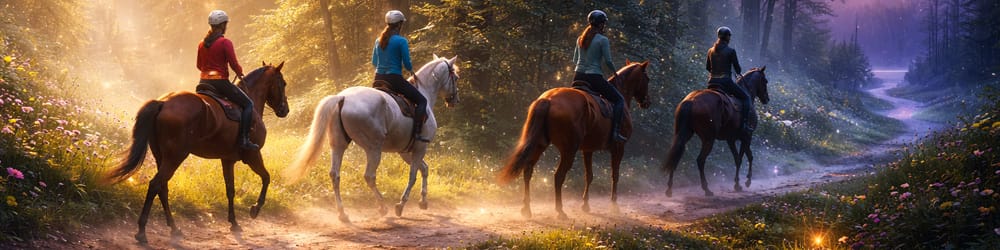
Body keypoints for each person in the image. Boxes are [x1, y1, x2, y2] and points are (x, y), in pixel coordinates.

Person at [197, 10, 259, 150]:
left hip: (203, 83)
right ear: (223, 25)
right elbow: (233, 63)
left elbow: (199, 65)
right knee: (248, 104)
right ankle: (244, 140)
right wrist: (240, 72)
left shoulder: (201, 44)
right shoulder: (225, 42)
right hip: (220, 83)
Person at [372, 10, 428, 142]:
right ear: (399, 25)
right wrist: (410, 71)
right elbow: (407, 63)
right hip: (394, 80)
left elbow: (374, 62)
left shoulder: (377, 40)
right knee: (422, 101)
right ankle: (417, 134)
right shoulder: (401, 41)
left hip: (378, 79)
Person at [574, 10, 626, 142]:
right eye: (604, 23)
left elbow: (575, 60)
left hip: (578, 77)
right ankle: (615, 133)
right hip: (594, 78)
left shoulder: (580, 39)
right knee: (619, 100)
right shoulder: (603, 40)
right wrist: (615, 73)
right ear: (601, 24)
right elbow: (608, 61)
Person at [706, 26, 753, 133]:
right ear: (727, 37)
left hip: (711, 82)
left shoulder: (710, 51)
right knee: (746, 98)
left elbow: (708, 68)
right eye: (729, 36)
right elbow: (738, 69)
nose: (729, 38)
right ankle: (744, 125)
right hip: (725, 82)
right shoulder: (731, 51)